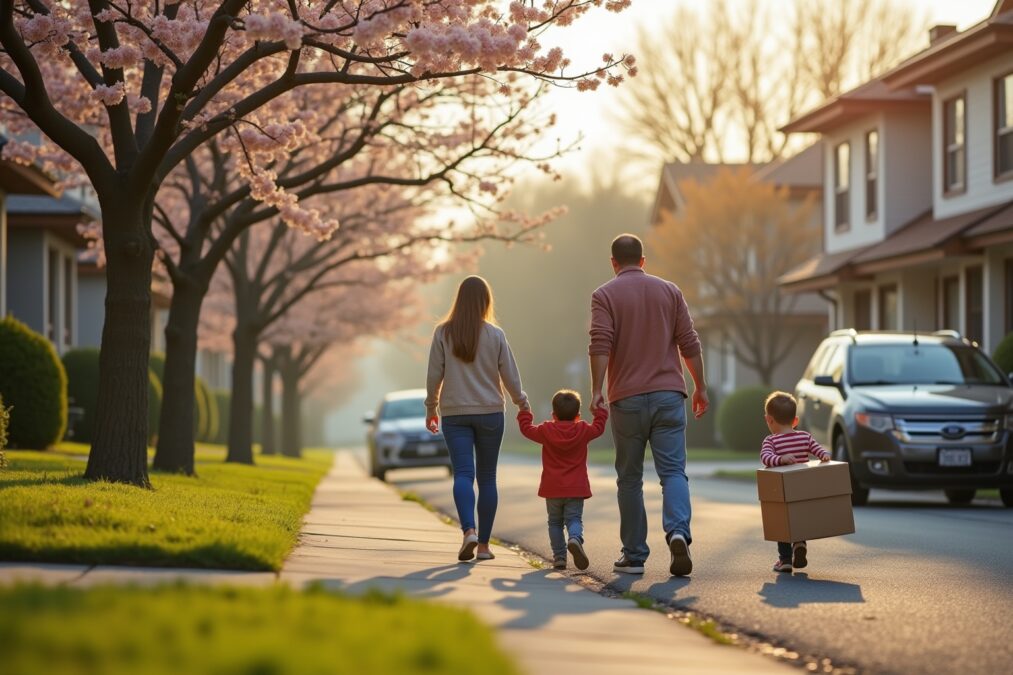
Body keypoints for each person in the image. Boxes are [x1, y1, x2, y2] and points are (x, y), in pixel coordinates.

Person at [588, 233, 709, 577]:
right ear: (643, 260)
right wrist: (700, 386)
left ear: (614, 263)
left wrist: (596, 389)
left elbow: (600, 343)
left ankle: (635, 555)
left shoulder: (604, 295)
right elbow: (689, 342)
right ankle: (678, 533)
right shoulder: (670, 291)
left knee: (629, 478)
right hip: (670, 395)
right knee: (673, 472)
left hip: (626, 399)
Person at [425, 276, 529, 562]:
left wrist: (431, 407)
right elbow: (510, 374)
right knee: (487, 478)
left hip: (455, 414)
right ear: (485, 302)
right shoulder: (495, 334)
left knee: (462, 474)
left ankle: (468, 530)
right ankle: (483, 546)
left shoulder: (443, 333)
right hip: (490, 413)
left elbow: (435, 375)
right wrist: (522, 403)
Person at [518, 389, 608, 571]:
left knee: (554, 522)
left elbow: (527, 430)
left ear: (553, 414)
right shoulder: (583, 430)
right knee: (574, 518)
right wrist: (600, 412)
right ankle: (574, 538)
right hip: (576, 488)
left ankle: (559, 557)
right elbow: (598, 428)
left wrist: (524, 413)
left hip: (552, 488)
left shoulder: (545, 430)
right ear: (578, 415)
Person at [760, 391, 831, 574]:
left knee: (782, 522)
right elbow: (817, 449)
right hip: (802, 489)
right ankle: (799, 544)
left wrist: (780, 459)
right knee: (799, 516)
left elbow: (765, 458)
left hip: (782, 489)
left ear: (769, 419)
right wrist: (823, 455)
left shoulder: (771, 441)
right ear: (795, 420)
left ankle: (784, 560)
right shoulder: (804, 437)